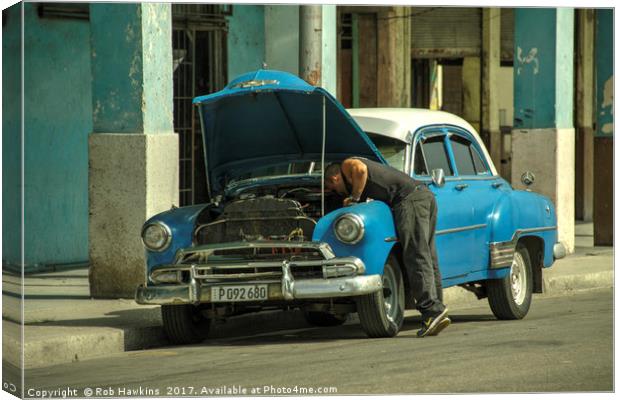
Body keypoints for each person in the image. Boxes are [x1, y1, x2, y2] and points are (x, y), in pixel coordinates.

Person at [323, 157, 449, 337]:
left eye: (332, 187)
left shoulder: (347, 164)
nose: (335, 192)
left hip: (409, 199)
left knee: (415, 255)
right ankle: (437, 309)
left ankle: (432, 311)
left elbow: (360, 170)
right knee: (427, 255)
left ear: (334, 178)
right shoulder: (362, 176)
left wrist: (354, 199)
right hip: (424, 195)